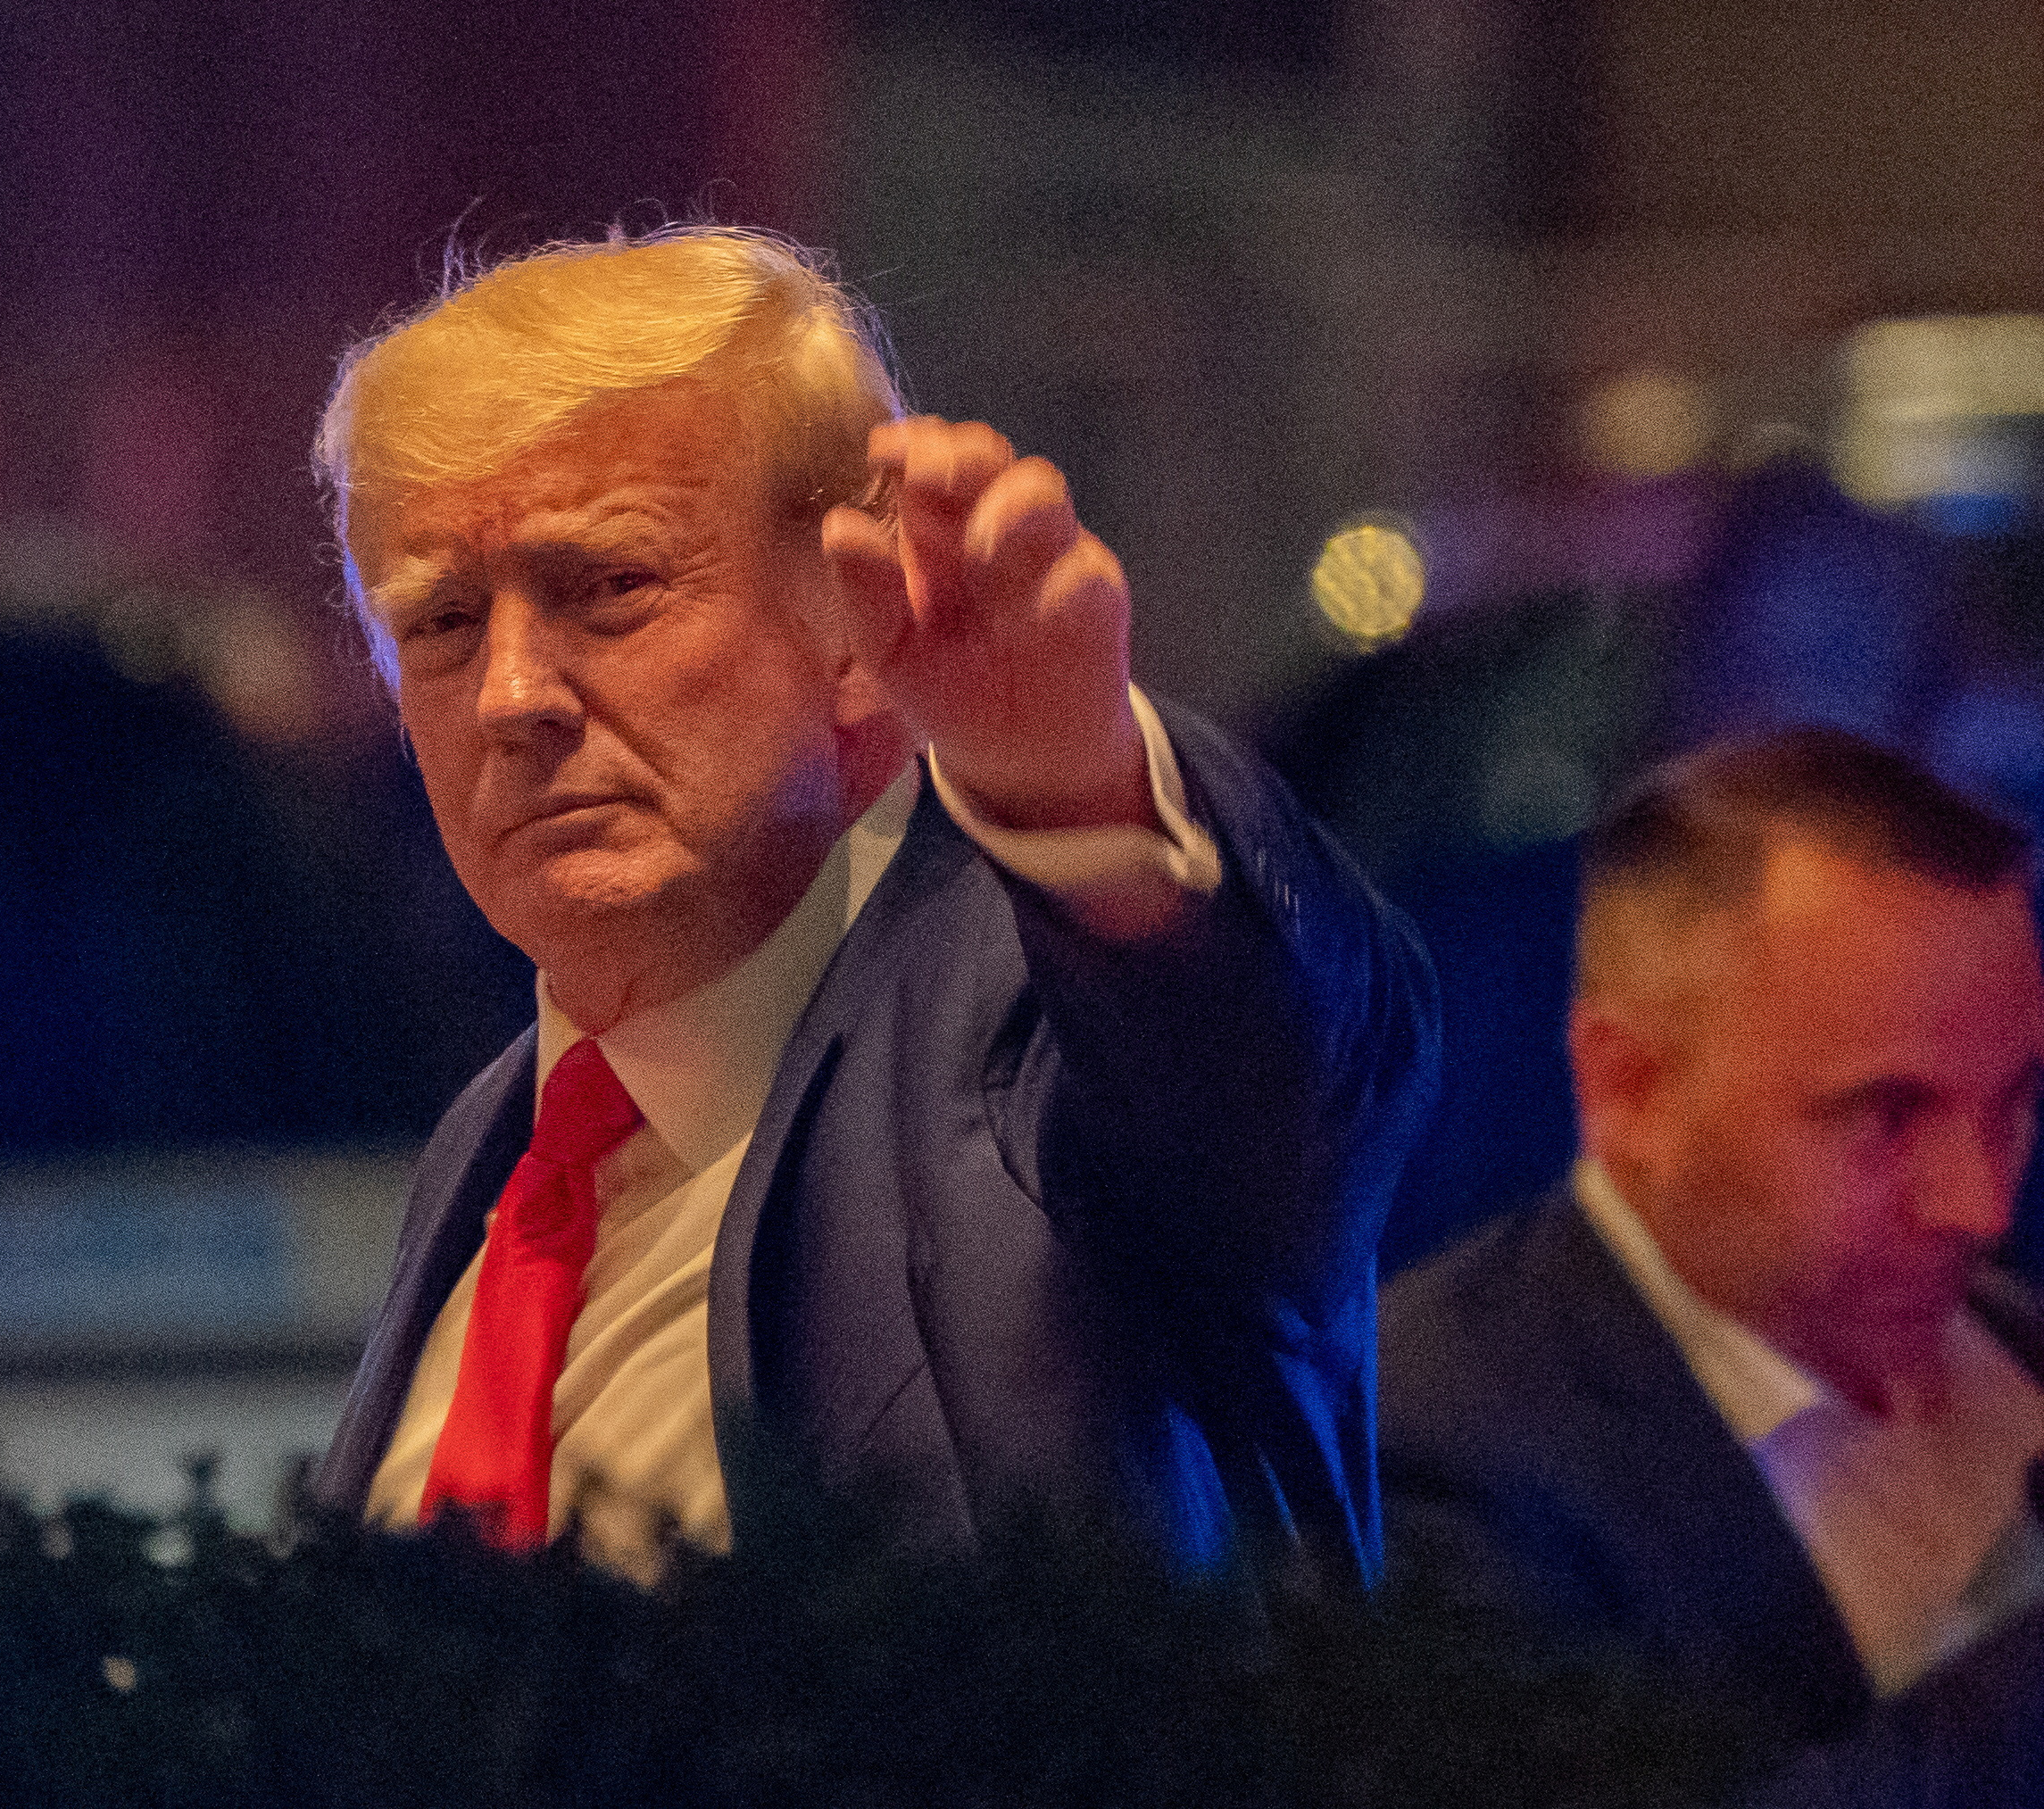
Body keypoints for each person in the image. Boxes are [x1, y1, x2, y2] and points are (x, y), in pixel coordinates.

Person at [306, 226, 1438, 1581]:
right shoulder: (491, 1153)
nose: (510, 695)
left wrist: (1078, 799)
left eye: (608, 587)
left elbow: (1282, 1063)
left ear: (857, 616)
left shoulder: (1037, 1038)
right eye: (441, 624)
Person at [1381, 726, 2044, 1756]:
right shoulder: (1419, 1453)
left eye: (2012, 1100)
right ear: (1628, 1086)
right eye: (1887, 1115)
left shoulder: (2013, 1340)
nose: (1981, 1203)